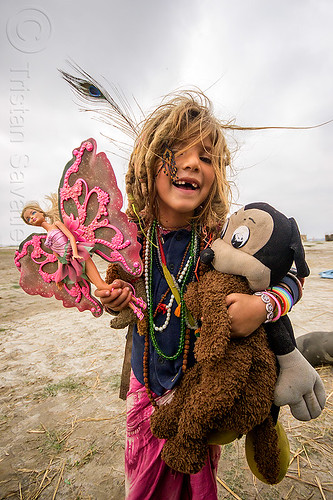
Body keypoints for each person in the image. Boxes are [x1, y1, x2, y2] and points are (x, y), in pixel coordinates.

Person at [93, 91, 306, 499]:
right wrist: (116, 296)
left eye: (206, 157)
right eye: (175, 151)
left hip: (202, 388)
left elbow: (292, 276)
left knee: (196, 479)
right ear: (147, 161)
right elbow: (120, 290)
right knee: (143, 484)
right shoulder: (130, 238)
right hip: (145, 386)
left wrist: (262, 306)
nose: (192, 163)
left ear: (216, 175)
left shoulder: (223, 239)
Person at [21, 202, 112, 290]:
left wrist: (75, 253)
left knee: (101, 285)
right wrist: (59, 276)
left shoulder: (56, 224)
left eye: (33, 213)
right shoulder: (47, 240)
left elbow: (71, 237)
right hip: (70, 262)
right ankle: (112, 292)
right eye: (28, 219)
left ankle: (115, 289)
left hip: (78, 254)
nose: (32, 217)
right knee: (96, 284)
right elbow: (59, 258)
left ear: (41, 213)